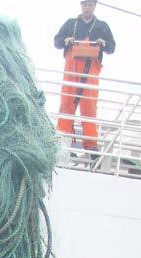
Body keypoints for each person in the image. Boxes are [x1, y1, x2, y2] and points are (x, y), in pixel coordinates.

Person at [54, 0, 115, 152]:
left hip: (91, 73)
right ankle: (63, 142)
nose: (87, 8)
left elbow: (112, 47)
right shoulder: (70, 23)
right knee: (66, 105)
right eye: (85, 4)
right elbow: (57, 42)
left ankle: (91, 146)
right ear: (81, 6)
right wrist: (66, 41)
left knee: (89, 108)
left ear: (95, 6)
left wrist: (104, 43)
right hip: (71, 71)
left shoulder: (102, 26)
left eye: (90, 5)